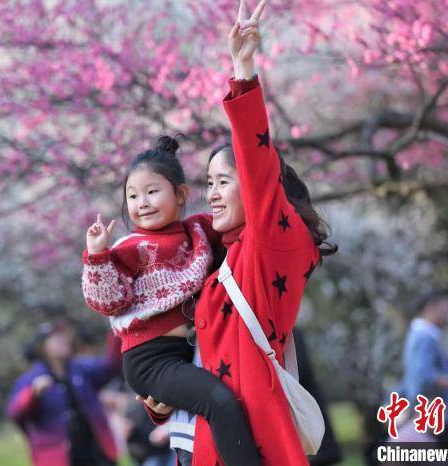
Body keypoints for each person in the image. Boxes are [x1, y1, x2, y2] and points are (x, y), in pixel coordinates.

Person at [143, 1, 337, 464]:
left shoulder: (273, 246)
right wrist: (164, 396)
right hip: (198, 442)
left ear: (254, 189)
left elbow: (259, 168)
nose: (210, 195)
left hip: (248, 446)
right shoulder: (223, 260)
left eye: (223, 182)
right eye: (208, 183)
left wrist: (243, 70)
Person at [81, 130, 264, 465]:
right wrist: (97, 257)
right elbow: (107, 300)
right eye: (133, 196)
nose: (143, 203)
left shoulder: (198, 231)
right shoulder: (129, 248)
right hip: (149, 359)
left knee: (227, 401)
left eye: (152, 192)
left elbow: (241, 224)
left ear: (180, 194)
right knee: (220, 402)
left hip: (185, 352)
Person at [6, 320, 121, 466]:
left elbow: (111, 366)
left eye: (63, 337)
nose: (64, 341)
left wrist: (118, 325)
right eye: (56, 338)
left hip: (97, 452)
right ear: (42, 347)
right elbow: (14, 412)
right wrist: (32, 394)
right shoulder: (30, 378)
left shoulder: (82, 369)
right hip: (58, 458)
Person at [398, 291, 448, 443]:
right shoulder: (423, 337)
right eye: (445, 309)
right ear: (430, 309)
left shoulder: (423, 335)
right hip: (435, 415)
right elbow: (423, 375)